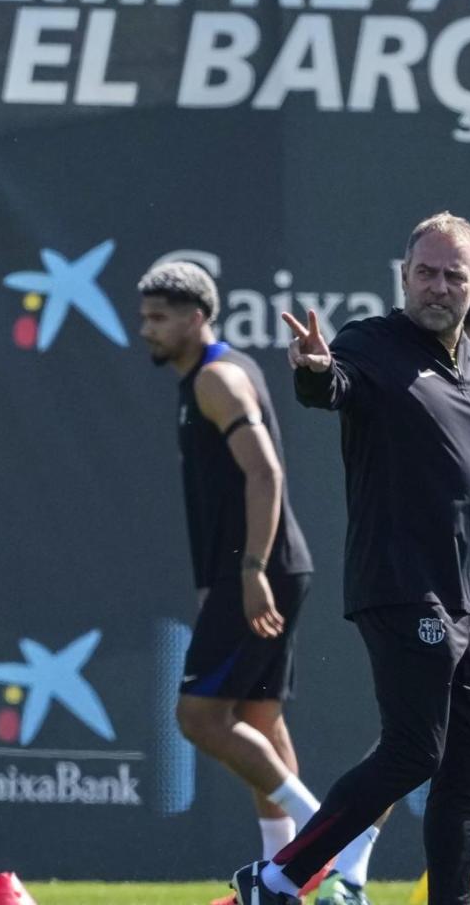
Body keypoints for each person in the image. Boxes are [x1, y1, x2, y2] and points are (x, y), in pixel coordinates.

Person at [231, 212, 470, 905]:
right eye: (425, 273)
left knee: (468, 767)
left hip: (465, 599)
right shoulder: (372, 343)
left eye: (452, 276)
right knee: (415, 750)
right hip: (403, 585)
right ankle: (277, 878)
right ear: (403, 275)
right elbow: (333, 385)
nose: (437, 287)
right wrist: (316, 372)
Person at [136, 260, 324, 882]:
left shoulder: (218, 378)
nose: (148, 330)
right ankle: (287, 875)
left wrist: (249, 571)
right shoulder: (203, 379)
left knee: (199, 717)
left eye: (160, 318)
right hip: (258, 569)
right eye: (144, 318)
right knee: (259, 720)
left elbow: (266, 473)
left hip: (260, 569)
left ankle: (327, 836)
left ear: (197, 317)